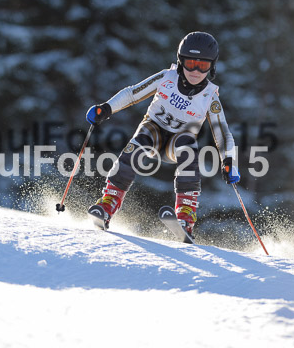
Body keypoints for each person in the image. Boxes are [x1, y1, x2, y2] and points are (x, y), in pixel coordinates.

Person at [85, 31, 240, 240]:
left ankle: (186, 215)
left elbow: (222, 133)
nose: (195, 70)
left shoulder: (209, 96)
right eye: (190, 63)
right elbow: (133, 93)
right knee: (140, 139)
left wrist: (229, 160)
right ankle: (108, 203)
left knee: (187, 144)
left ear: (212, 66)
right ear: (180, 60)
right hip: (153, 135)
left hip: (177, 145)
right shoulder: (167, 77)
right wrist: (106, 109)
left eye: (202, 66)